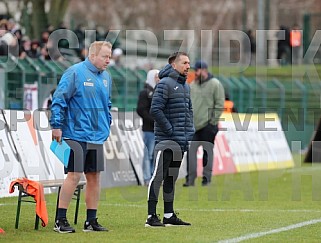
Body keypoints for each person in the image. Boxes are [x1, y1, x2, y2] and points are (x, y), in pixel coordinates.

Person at [50, 41, 113, 233]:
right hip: (75, 133)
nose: (108, 61)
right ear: (92, 56)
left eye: (109, 57)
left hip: (97, 135)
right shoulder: (74, 72)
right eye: (104, 56)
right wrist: (56, 126)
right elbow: (59, 100)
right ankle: (60, 220)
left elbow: (107, 103)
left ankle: (91, 221)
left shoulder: (107, 77)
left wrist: (107, 122)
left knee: (94, 177)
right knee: (74, 175)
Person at [145, 52, 194, 227]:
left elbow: (189, 112)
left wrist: (189, 132)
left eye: (189, 63)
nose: (188, 66)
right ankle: (151, 216)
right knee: (158, 177)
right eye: (184, 63)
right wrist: (170, 130)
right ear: (174, 65)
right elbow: (155, 110)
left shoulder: (186, 86)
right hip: (166, 140)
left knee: (171, 177)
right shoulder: (164, 84)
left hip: (180, 140)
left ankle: (168, 215)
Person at [183, 60, 225, 187]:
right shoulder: (192, 85)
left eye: (197, 70)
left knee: (207, 153)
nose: (195, 72)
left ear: (204, 70)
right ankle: (190, 180)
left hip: (208, 126)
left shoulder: (215, 84)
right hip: (193, 126)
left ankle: (206, 178)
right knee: (190, 153)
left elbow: (219, 104)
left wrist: (213, 122)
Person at [136, 69, 160, 186]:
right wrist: (153, 119)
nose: (158, 79)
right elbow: (141, 109)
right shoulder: (145, 93)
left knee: (156, 154)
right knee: (148, 154)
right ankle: (147, 177)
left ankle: (154, 176)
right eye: (156, 76)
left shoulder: (160, 92)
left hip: (158, 129)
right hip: (149, 129)